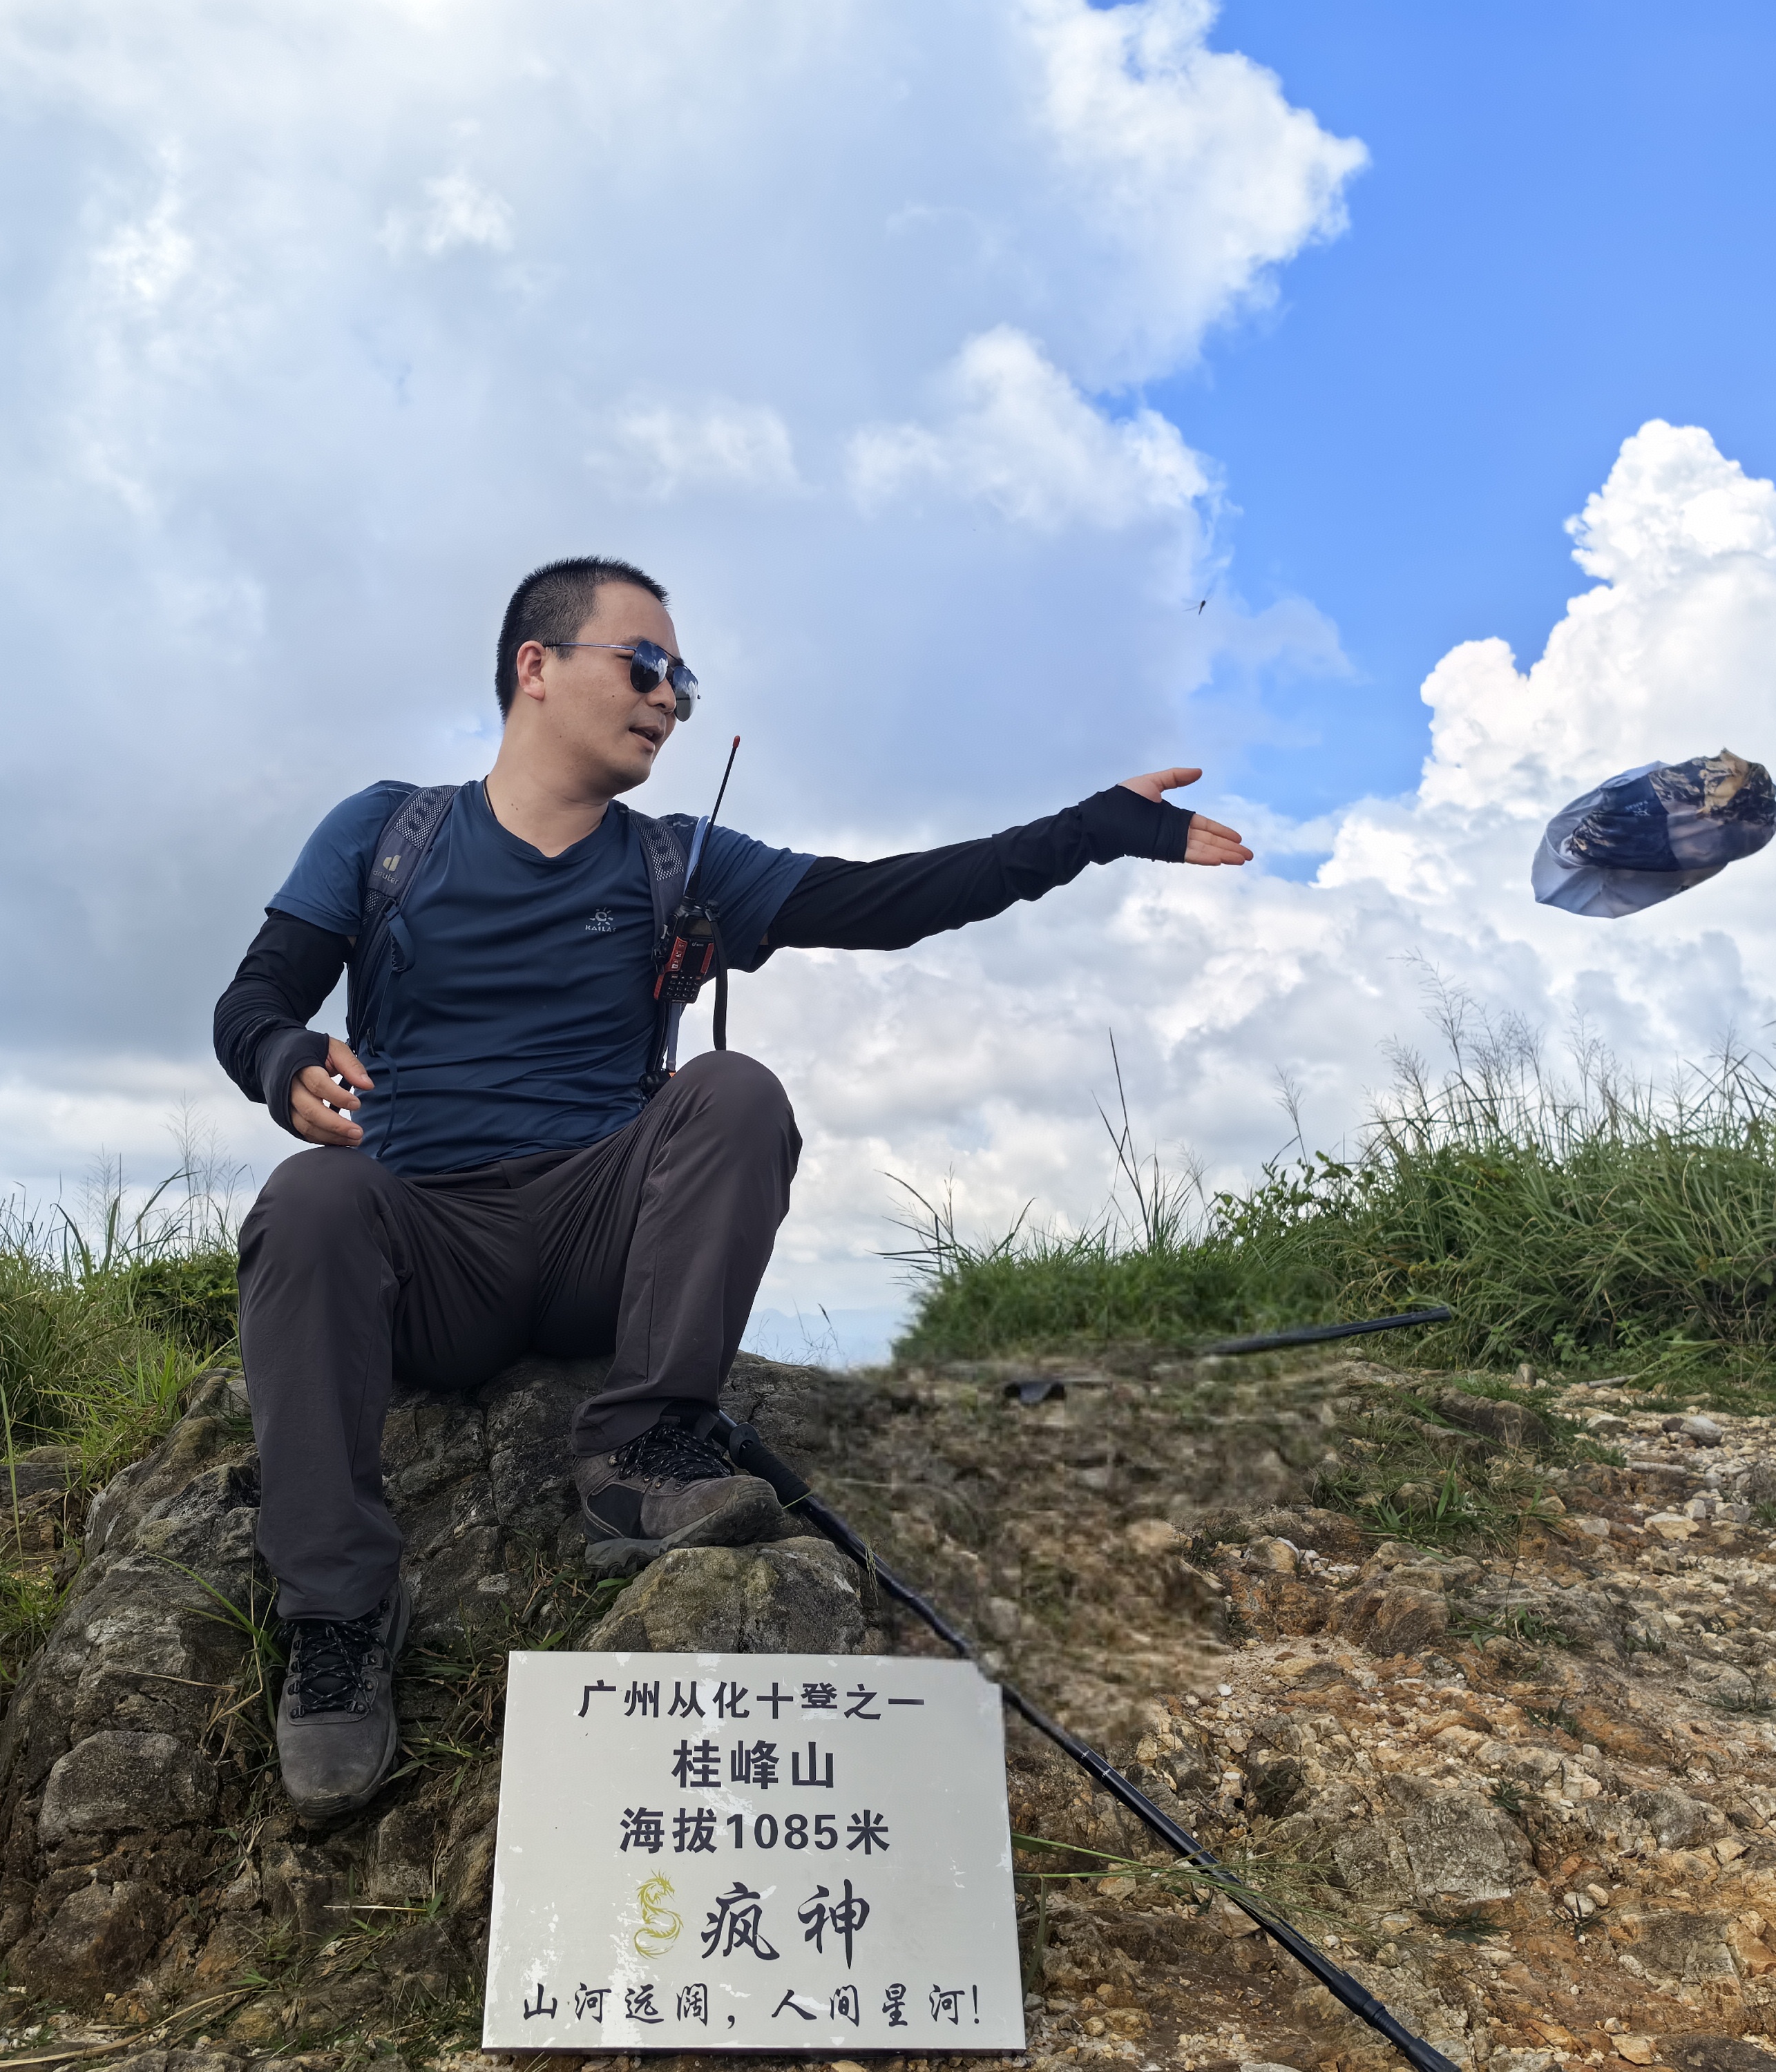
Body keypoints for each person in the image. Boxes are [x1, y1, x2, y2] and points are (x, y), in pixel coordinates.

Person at [213, 555, 1252, 1820]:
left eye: (684, 682)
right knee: (309, 1199)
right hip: (434, 1248)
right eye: (646, 665)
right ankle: (338, 1612)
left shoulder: (678, 861)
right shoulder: (387, 833)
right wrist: (282, 1059)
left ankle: (637, 1455)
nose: (670, 698)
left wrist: (1091, 831)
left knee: (736, 1090)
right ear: (536, 667)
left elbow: (886, 902)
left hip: (602, 1238)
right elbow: (254, 999)